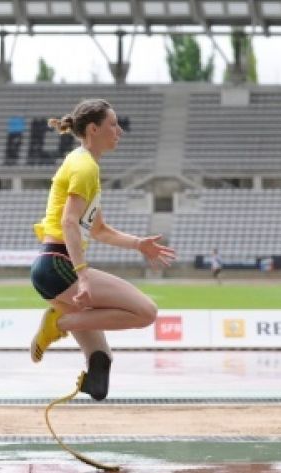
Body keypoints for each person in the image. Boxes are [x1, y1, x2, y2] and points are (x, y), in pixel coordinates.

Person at [29, 99, 176, 401]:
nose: (119, 130)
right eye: (113, 124)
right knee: (146, 312)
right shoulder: (84, 167)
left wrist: (139, 244)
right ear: (94, 129)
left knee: (100, 365)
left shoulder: (84, 165)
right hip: (60, 264)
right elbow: (69, 223)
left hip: (51, 266)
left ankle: (89, 375)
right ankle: (59, 322)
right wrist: (82, 276)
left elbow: (99, 231)